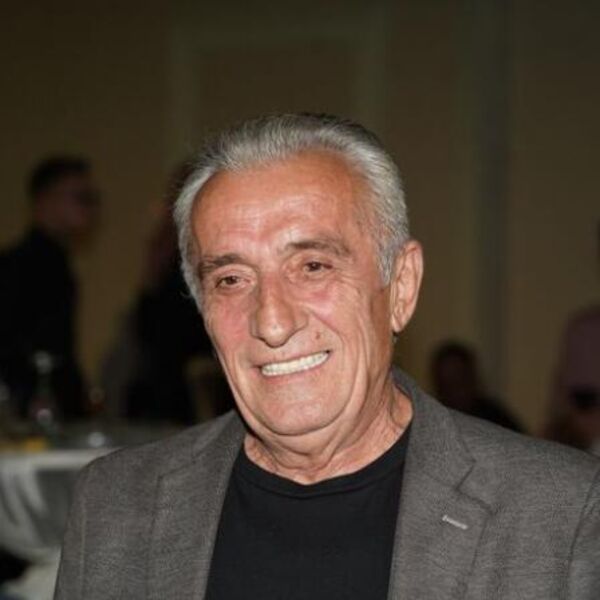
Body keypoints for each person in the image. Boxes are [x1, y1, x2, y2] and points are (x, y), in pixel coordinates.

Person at [55, 114, 599, 599]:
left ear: (401, 286)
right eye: (231, 279)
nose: (271, 322)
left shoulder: (563, 515)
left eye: (313, 267)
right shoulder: (116, 506)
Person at [0, 156, 98, 421]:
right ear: (45, 200)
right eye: (81, 197)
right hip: (35, 412)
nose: (91, 208)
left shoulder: (50, 263)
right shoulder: (25, 266)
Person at [431, 340, 523, 432]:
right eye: (446, 386)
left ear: (473, 379)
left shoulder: (497, 419)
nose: (454, 392)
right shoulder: (432, 421)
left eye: (459, 381)